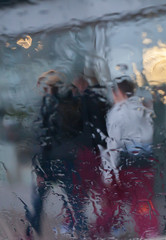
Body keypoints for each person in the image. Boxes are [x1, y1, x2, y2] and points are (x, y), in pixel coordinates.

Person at [93, 77, 159, 238]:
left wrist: (109, 172)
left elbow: (113, 145)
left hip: (127, 163)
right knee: (143, 200)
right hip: (146, 161)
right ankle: (149, 232)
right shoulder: (144, 108)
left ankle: (102, 232)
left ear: (118, 92)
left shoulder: (117, 112)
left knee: (114, 201)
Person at [26, 70, 85, 237]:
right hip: (68, 159)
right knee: (74, 200)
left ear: (47, 88)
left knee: (38, 201)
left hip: (48, 162)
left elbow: (42, 140)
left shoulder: (46, 106)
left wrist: (39, 170)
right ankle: (81, 232)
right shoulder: (72, 106)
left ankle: (32, 232)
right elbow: (78, 133)